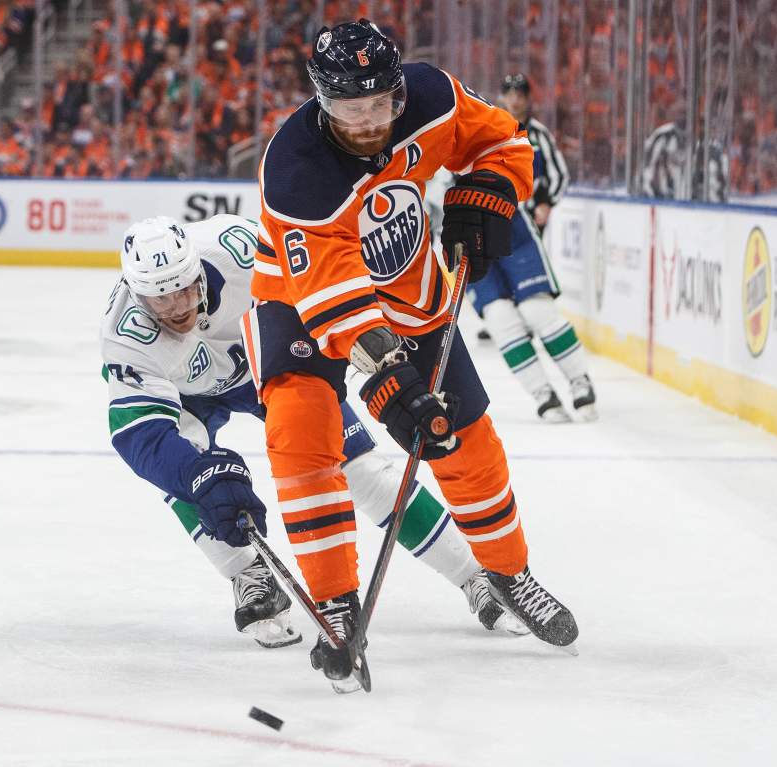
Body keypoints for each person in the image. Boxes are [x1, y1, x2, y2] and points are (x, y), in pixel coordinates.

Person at [249, 20, 579, 686]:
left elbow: (500, 140)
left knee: (463, 437)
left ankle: (510, 573)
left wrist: (488, 195)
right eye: (351, 107)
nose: (370, 121)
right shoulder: (296, 169)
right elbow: (337, 301)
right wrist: (390, 381)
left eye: (381, 103)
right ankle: (337, 604)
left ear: (399, 90)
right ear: (321, 99)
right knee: (301, 428)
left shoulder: (430, 96)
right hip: (301, 294)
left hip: (407, 285)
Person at [101, 215, 527, 676]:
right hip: (186, 395)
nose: (176, 307)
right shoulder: (124, 335)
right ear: (134, 291)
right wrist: (195, 475)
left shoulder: (239, 249)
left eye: (184, 289)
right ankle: (249, 574)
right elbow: (141, 435)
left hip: (271, 362)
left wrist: (375, 352)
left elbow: (323, 287)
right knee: (188, 472)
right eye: (158, 298)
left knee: (363, 473)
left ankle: (474, 577)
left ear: (199, 271)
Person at [465, 73, 597, 423]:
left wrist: (543, 201)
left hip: (513, 230)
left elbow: (551, 175)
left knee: (538, 312)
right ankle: (543, 393)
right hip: (466, 244)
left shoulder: (512, 132)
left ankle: (579, 381)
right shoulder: (421, 145)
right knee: (501, 320)